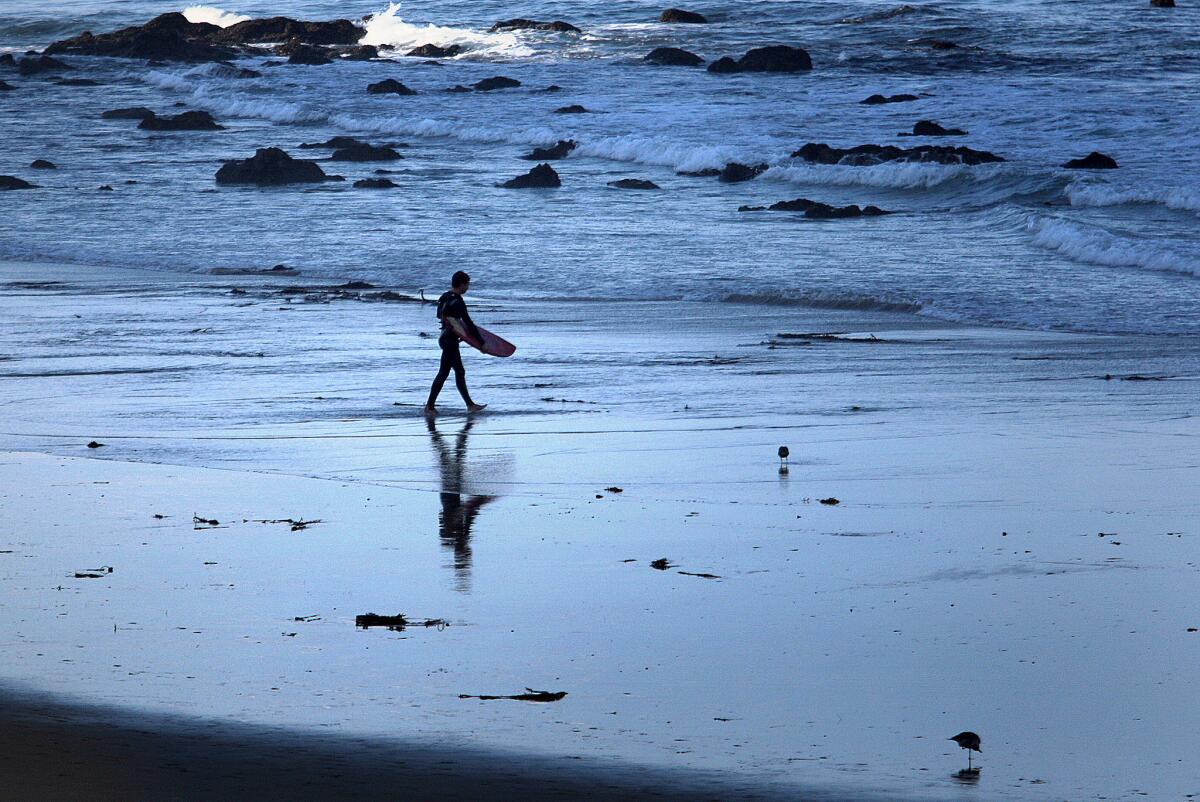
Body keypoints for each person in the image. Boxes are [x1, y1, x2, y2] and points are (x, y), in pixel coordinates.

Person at [425, 270, 487, 415]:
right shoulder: (458, 301)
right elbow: (468, 323)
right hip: (450, 341)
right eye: (467, 284)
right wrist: (481, 343)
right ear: (461, 284)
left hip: (444, 338)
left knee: (446, 372)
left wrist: (459, 332)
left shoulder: (444, 297)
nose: (468, 288)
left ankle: (431, 406)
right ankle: (468, 405)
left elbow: (442, 317)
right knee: (457, 371)